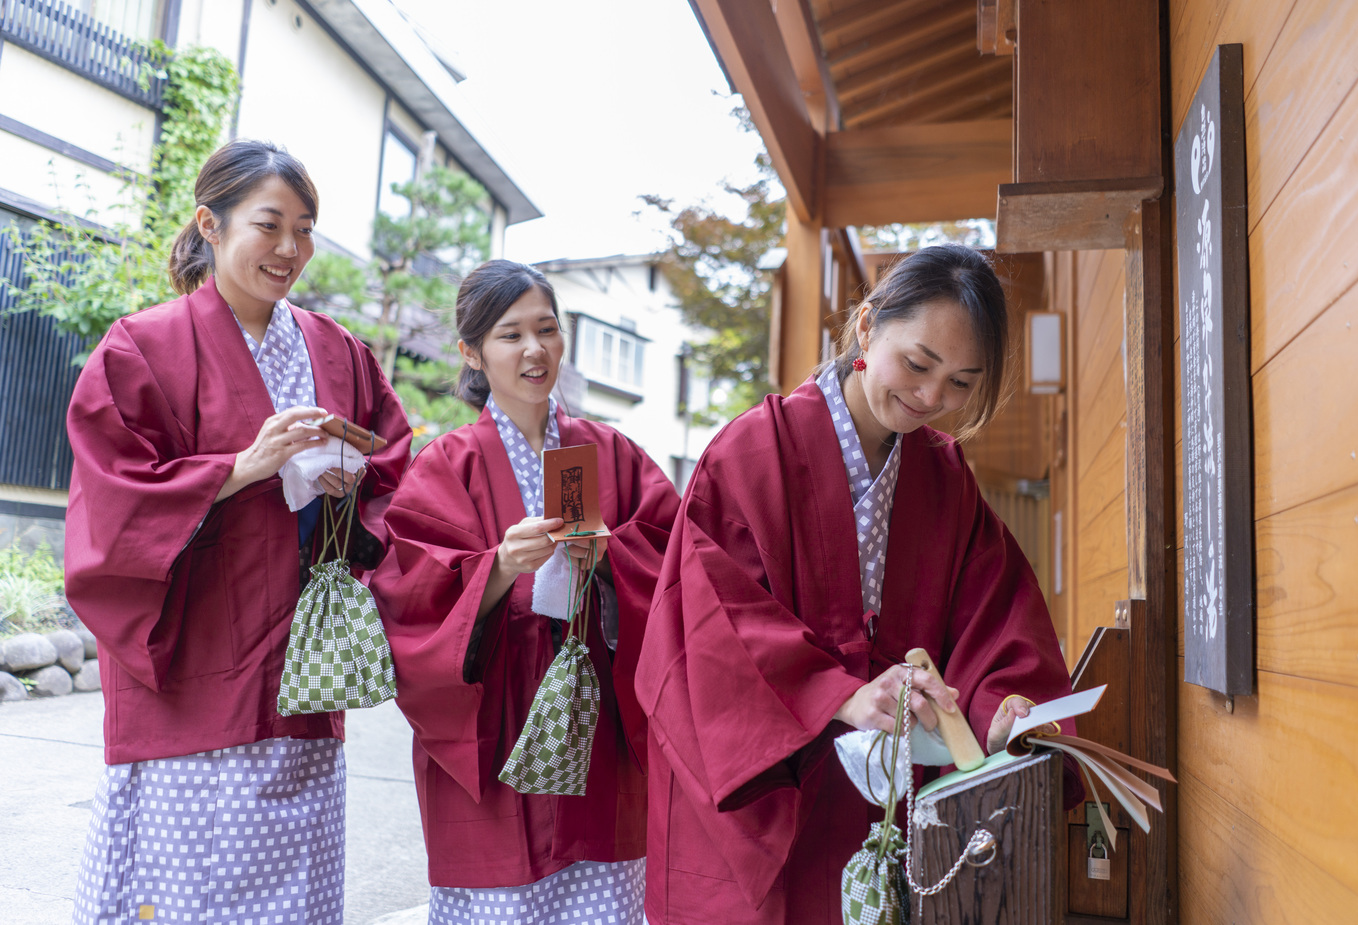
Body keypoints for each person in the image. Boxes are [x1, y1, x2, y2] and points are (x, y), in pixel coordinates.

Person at [636, 244, 1079, 924]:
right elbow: (712, 618)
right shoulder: (753, 452)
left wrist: (1001, 709)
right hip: (779, 773)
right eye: (919, 363)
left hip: (887, 785)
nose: (931, 397)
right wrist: (836, 692)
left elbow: (997, 612)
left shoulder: (944, 475)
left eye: (962, 382)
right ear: (868, 327)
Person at [64, 140, 413, 924]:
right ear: (210, 225)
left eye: (306, 227)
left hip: (302, 663)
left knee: (292, 886)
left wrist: (352, 486)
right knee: (183, 889)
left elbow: (396, 472)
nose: (291, 248)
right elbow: (113, 501)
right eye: (269, 224)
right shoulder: (141, 346)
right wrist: (239, 468)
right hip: (194, 662)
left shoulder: (339, 351)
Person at [369, 259, 680, 925]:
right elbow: (408, 597)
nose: (534, 350)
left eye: (547, 329)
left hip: (596, 742)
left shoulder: (613, 452)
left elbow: (676, 560)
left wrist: (610, 558)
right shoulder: (445, 466)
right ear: (472, 351)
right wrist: (498, 568)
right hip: (495, 738)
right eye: (510, 335)